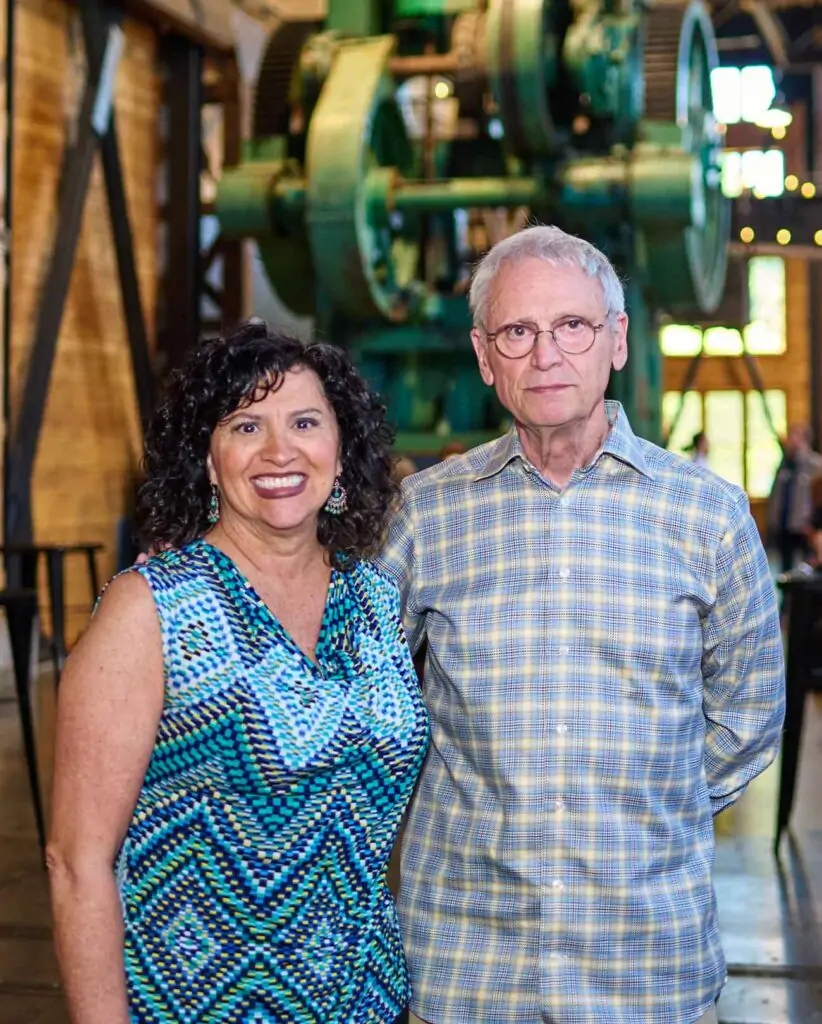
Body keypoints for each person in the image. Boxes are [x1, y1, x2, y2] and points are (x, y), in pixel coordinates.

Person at [378, 225, 785, 1024]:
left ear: (617, 340)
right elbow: (363, 702)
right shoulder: (427, 514)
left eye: (572, 326)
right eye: (517, 332)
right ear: (484, 356)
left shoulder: (707, 516)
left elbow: (748, 717)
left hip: (646, 964)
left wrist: (643, 809)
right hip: (467, 966)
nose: (546, 355)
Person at [46, 323, 430, 1024]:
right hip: (196, 1003)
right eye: (246, 426)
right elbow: (77, 862)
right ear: (209, 459)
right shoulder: (152, 609)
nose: (280, 450)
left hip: (366, 1002)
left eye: (305, 422)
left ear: (340, 448)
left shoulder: (374, 598)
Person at [767, 423, 822, 573]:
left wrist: (812, 521)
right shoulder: (784, 463)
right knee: (785, 566)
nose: (791, 441)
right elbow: (776, 493)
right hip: (784, 524)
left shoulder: (813, 464)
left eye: (795, 437)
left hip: (805, 526)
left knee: (806, 567)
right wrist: (773, 519)